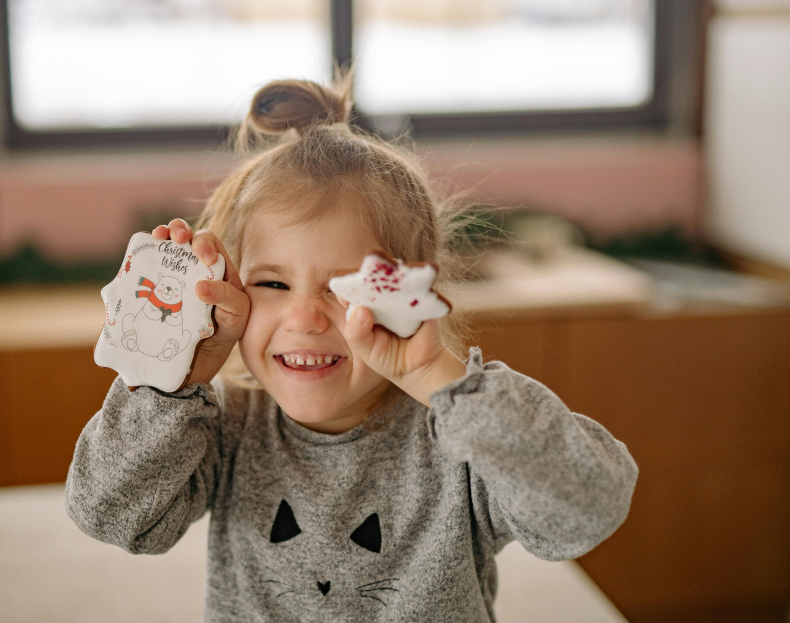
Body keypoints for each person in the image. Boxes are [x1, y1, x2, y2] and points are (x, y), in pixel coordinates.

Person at [66, 74, 638, 622]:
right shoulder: (225, 427)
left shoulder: (463, 433)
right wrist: (171, 377)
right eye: (272, 284)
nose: (306, 318)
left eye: (345, 288)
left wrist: (441, 379)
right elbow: (111, 516)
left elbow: (587, 508)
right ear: (232, 289)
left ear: (411, 294)